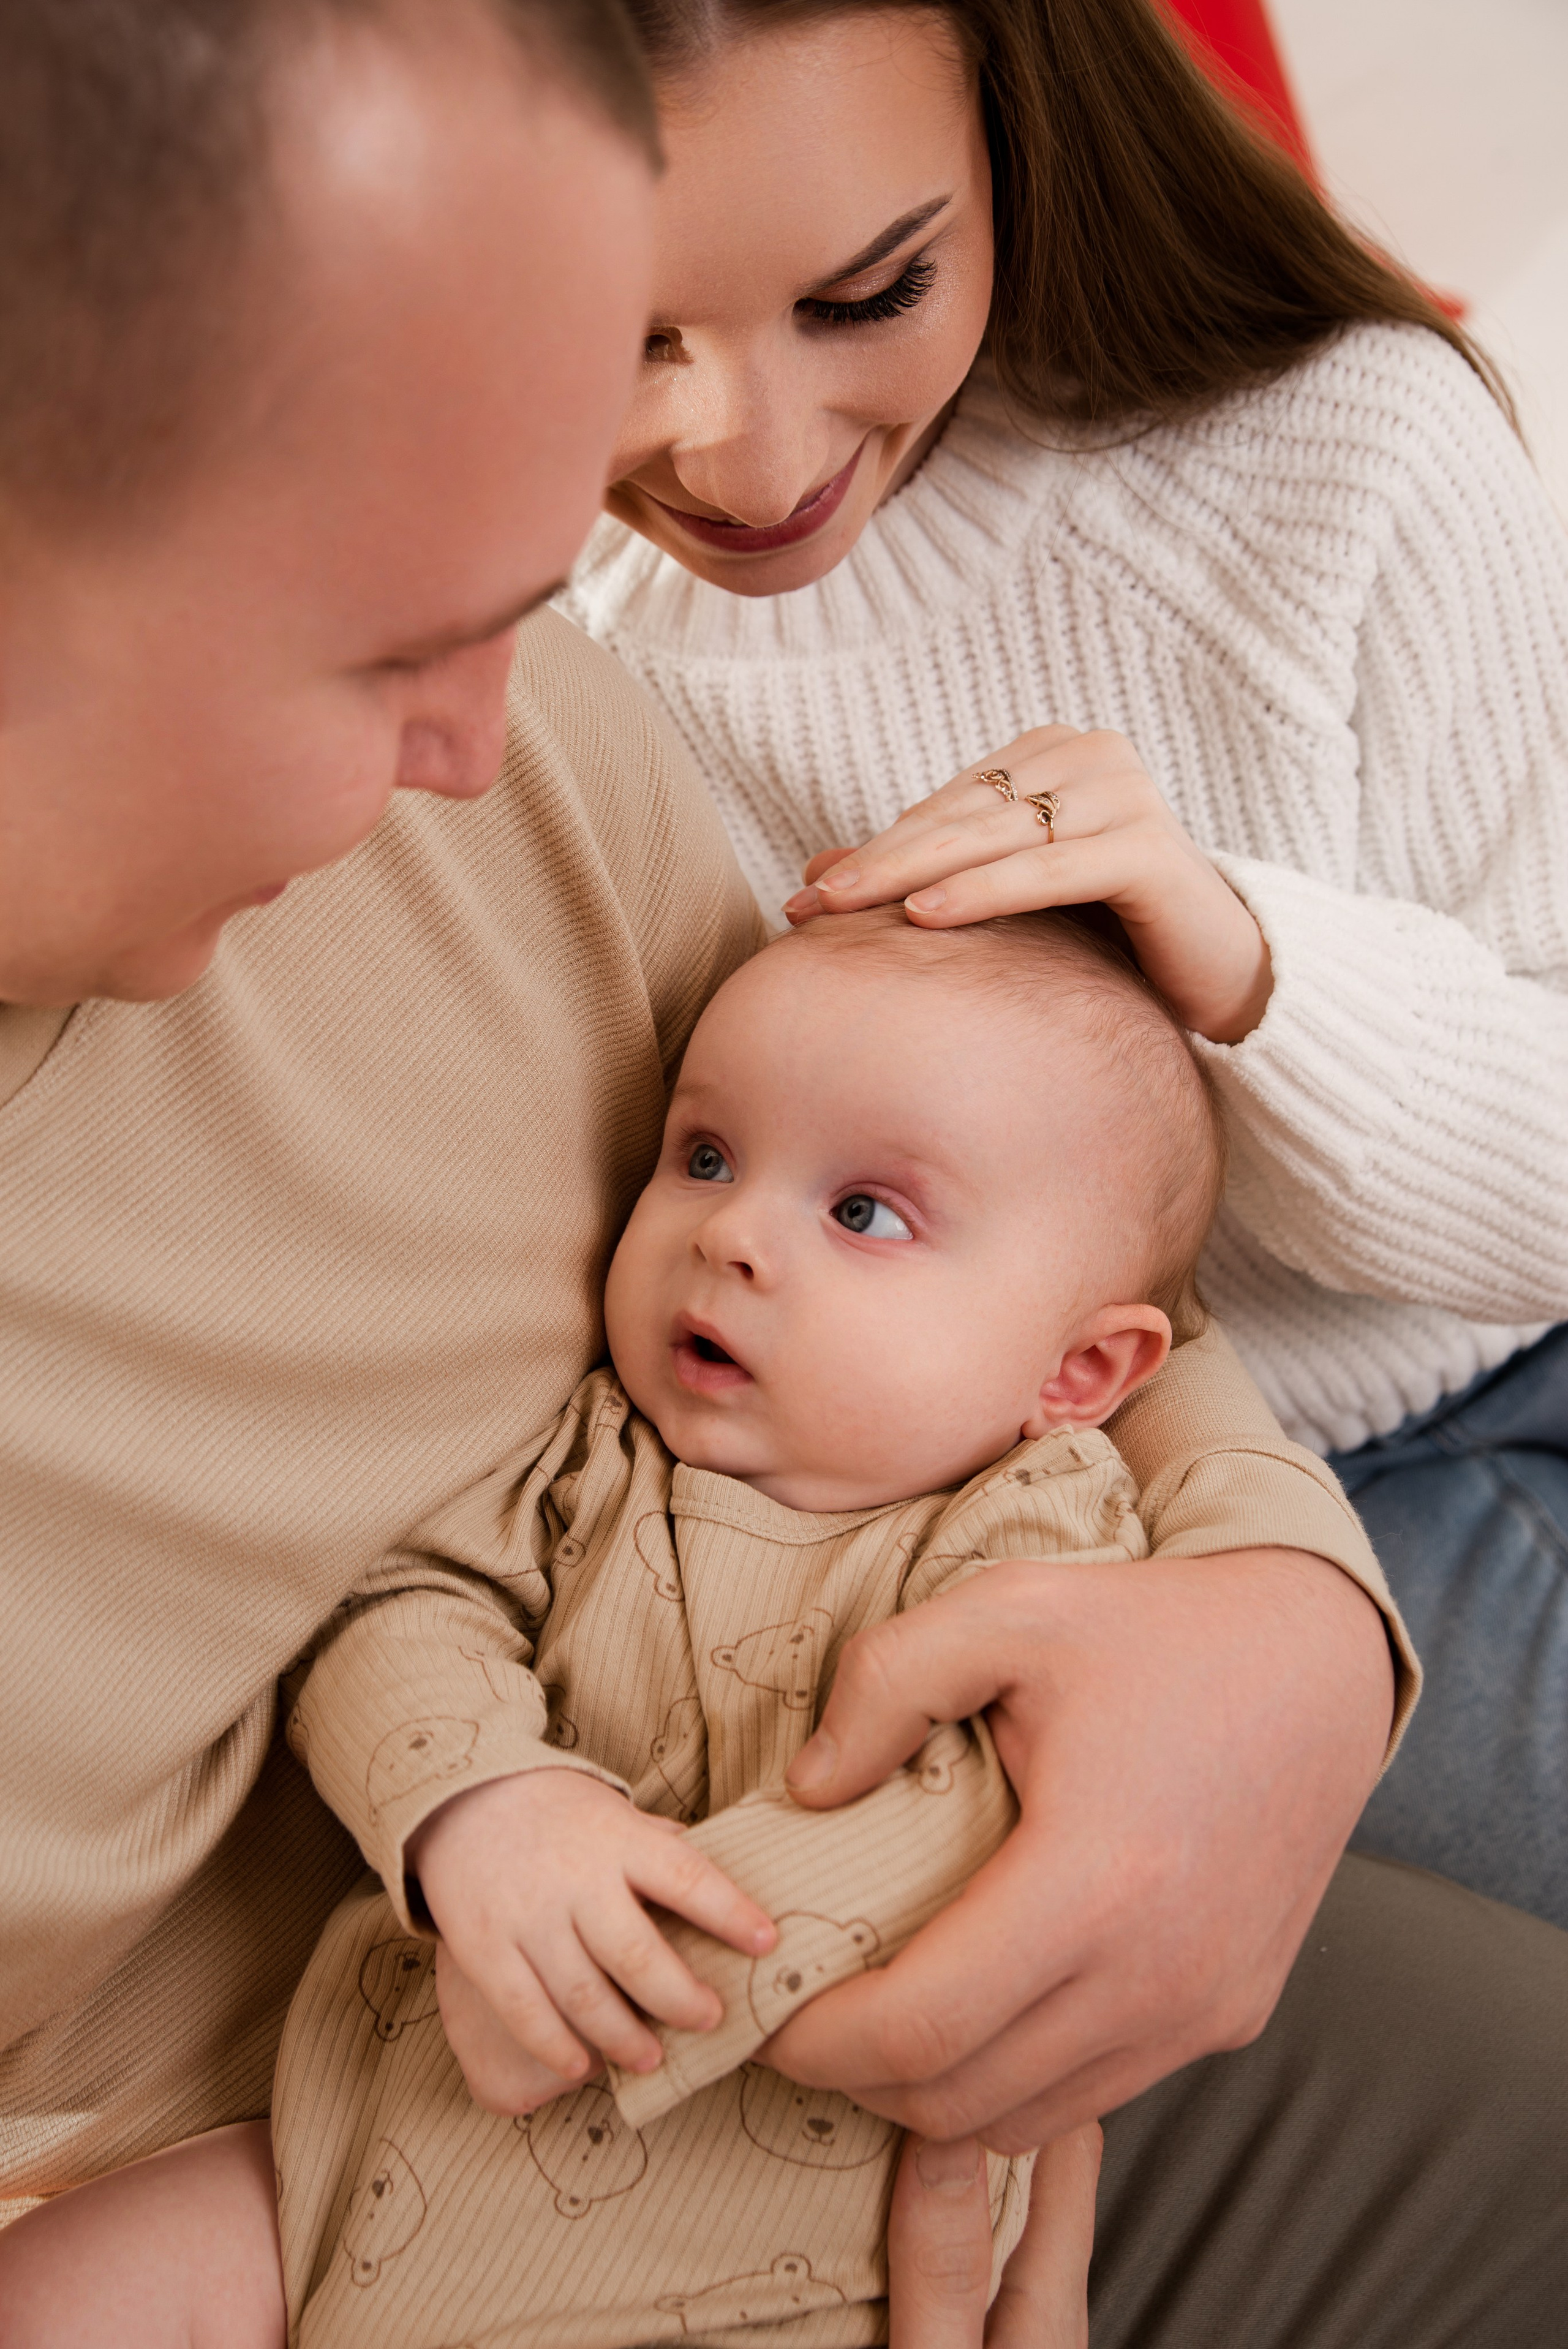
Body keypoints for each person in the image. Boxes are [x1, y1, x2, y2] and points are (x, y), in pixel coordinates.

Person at [0, 3, 1561, 2347]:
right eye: (381, 643)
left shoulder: (537, 768)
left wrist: (1283, 1623)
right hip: (320, 2163)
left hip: (981, 1846)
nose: (477, 732)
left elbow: (1013, 1229)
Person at [559, 0, 1568, 1945]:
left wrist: (1250, 961)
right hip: (1178, 1489)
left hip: (1496, 1341)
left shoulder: (1350, 452)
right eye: (620, 341)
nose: (751, 458)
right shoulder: (568, 680)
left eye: (871, 291)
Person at [198, 907, 1367, 2348]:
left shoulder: (1037, 1533)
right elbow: (396, 1605)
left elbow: (985, 1826)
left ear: (1076, 1371)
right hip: (365, 2145)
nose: (731, 1233)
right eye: (703, 1157)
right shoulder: (587, 1447)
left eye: (862, 1211)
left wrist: (621, 1969)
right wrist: (482, 1805)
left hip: (763, 2273)